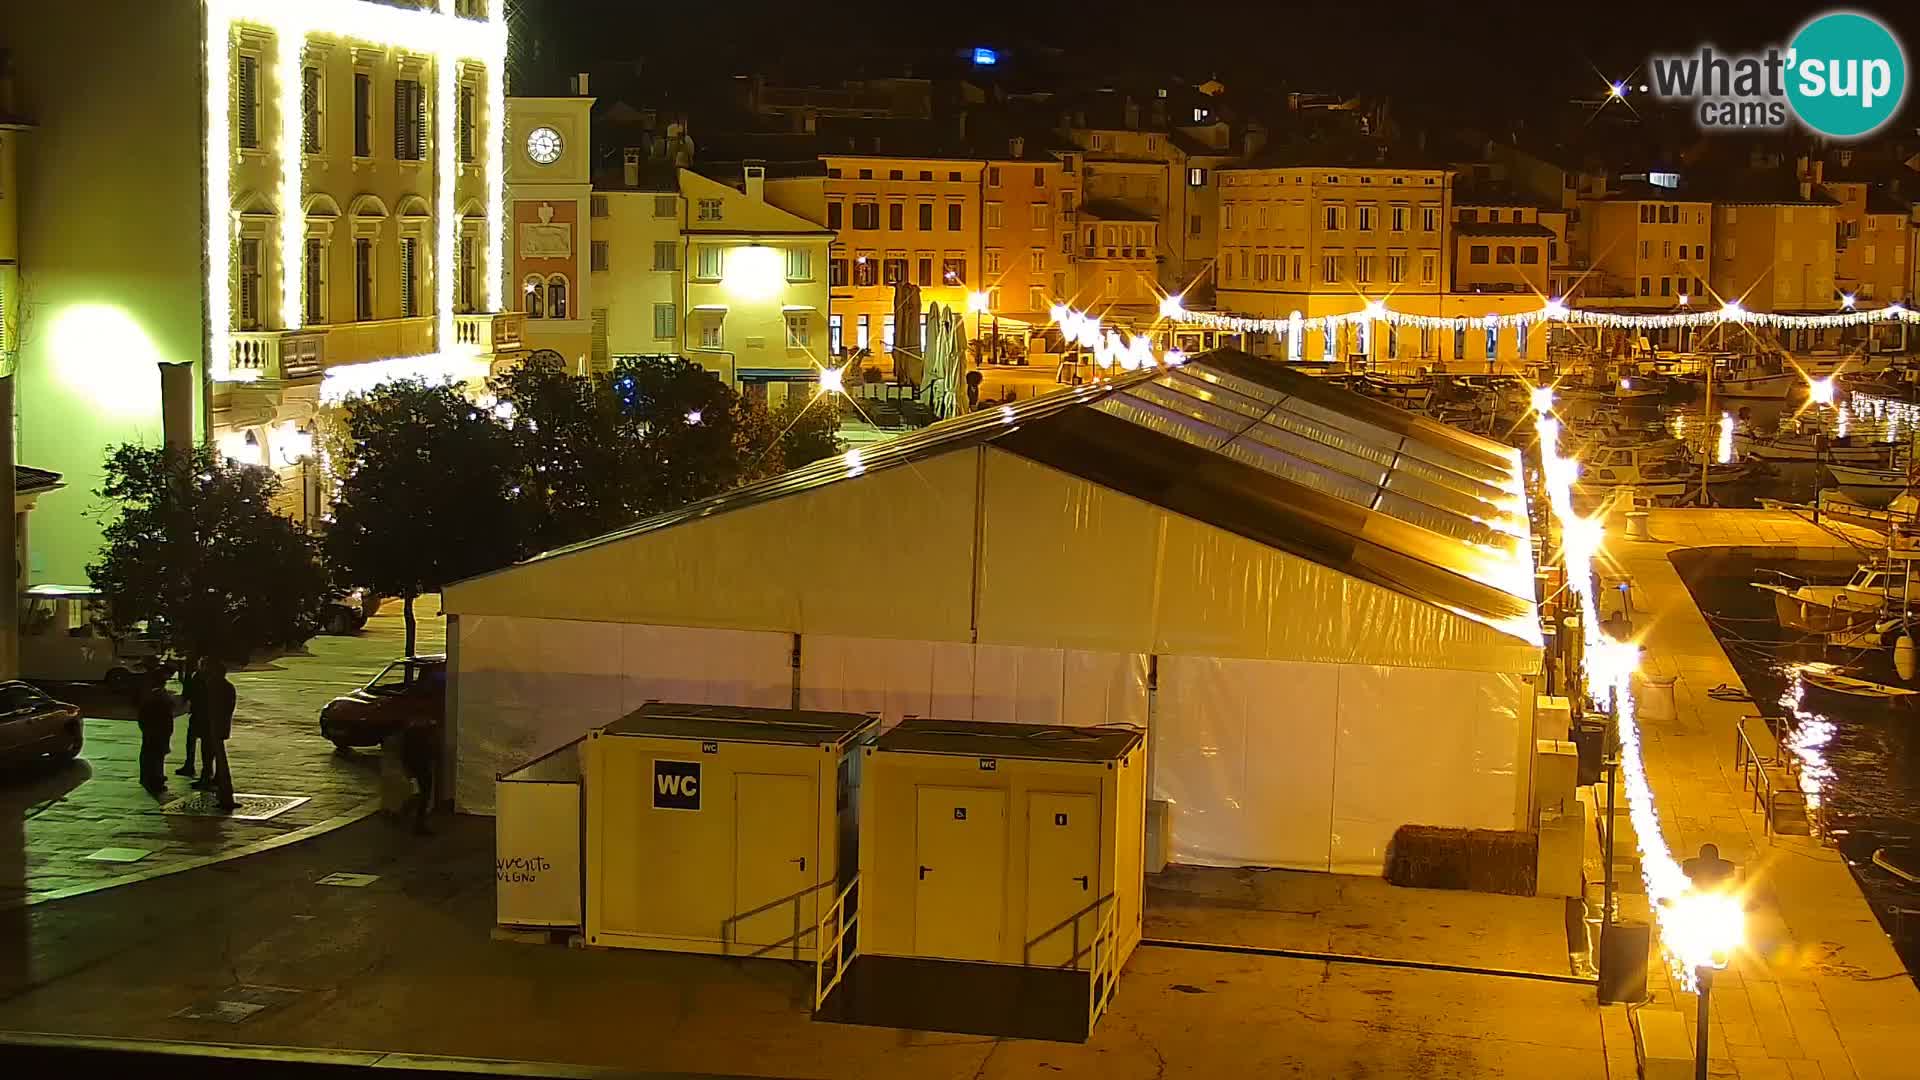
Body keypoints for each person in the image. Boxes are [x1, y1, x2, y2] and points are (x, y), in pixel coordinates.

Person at [197, 658, 239, 810]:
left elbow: (212, 708)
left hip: (214, 727)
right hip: (219, 727)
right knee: (217, 756)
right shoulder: (227, 686)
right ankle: (220, 786)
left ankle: (224, 792)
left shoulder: (215, 686)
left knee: (217, 756)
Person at [135, 672, 175, 795]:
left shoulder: (149, 696)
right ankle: (156, 779)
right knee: (157, 756)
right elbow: (167, 717)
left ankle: (148, 777)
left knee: (149, 754)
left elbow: (142, 715)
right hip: (160, 731)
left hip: (150, 730)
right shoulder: (162, 697)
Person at [400, 712, 440, 835]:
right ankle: (416, 822)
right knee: (423, 796)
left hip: (416, 768)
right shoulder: (424, 733)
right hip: (422, 768)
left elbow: (405, 754)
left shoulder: (411, 732)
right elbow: (429, 751)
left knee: (419, 794)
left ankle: (405, 814)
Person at [176, 662, 205, 779]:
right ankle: (192, 766)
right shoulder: (202, 676)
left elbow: (188, 693)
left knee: (193, 741)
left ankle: (191, 766)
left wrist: (187, 676)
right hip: (201, 714)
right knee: (197, 742)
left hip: (200, 714)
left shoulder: (198, 677)